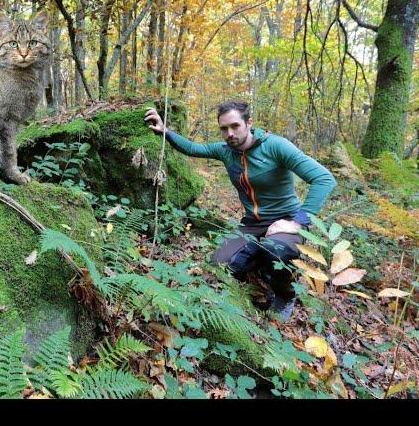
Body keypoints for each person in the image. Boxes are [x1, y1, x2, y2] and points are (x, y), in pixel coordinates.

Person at [144, 101, 337, 321]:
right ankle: (259, 263)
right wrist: (165, 131)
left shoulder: (275, 146)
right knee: (219, 266)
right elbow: (193, 149)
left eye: (235, 126)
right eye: (224, 128)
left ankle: (285, 294)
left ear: (249, 123)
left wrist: (297, 222)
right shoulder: (226, 151)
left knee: (276, 250)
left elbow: (324, 179)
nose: (230, 133)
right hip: (252, 224)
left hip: (285, 222)